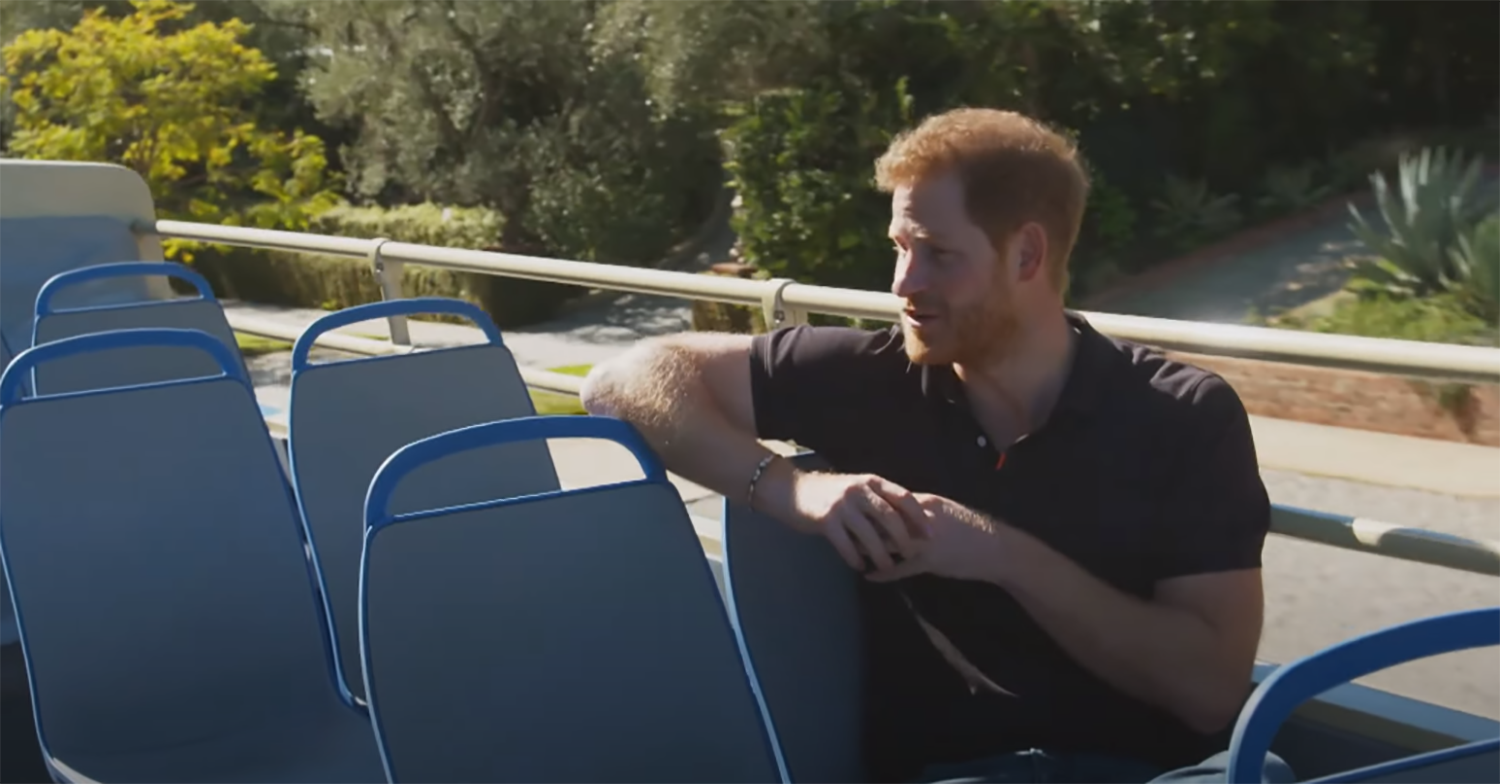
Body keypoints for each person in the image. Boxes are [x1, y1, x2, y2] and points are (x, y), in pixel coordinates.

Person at [580, 107, 1295, 784]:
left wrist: (1001, 556)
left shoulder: (1183, 415)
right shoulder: (869, 377)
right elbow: (622, 379)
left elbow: (1209, 694)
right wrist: (792, 488)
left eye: (938, 254)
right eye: (900, 247)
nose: (903, 284)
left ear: (1027, 255)